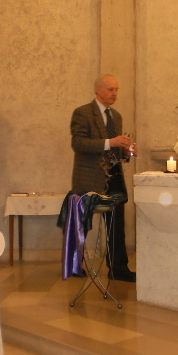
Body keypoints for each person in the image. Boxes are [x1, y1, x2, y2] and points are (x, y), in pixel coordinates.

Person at [70, 74, 137, 282]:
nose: (114, 93)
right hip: (89, 177)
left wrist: (126, 151)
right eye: (110, 89)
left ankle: (118, 268)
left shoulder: (116, 116)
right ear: (98, 90)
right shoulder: (82, 113)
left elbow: (115, 149)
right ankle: (73, 265)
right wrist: (111, 142)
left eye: (116, 90)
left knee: (117, 225)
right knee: (81, 224)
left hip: (114, 176)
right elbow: (78, 143)